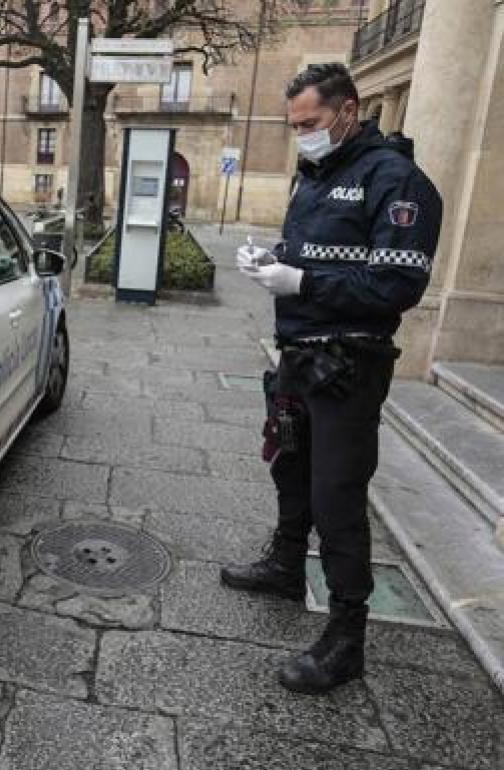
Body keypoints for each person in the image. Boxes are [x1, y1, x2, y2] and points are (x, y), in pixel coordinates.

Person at [223, 62, 442, 694]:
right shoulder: (318, 176)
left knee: (338, 498)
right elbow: (317, 252)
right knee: (288, 465)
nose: (302, 136)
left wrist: (303, 282)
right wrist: (273, 259)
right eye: (295, 126)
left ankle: (347, 637)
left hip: (348, 364)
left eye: (311, 123)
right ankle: (287, 564)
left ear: (348, 110)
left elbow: (397, 284)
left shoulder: (397, 182)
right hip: (297, 353)